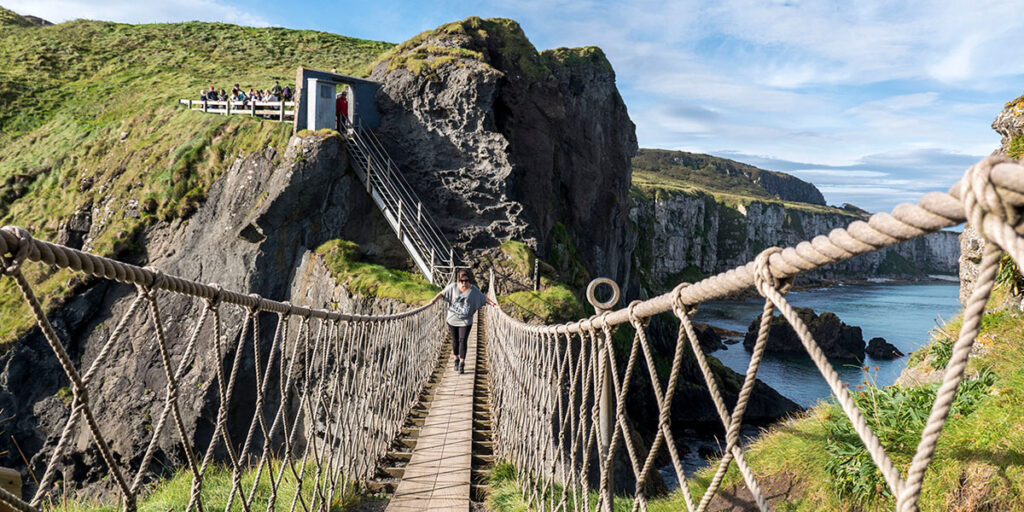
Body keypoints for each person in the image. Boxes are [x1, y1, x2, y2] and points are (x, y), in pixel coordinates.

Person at [432, 270, 496, 374]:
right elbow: (442, 294)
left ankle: (462, 363)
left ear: (469, 280)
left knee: (463, 340)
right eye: (461, 281)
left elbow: (483, 297)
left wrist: (493, 304)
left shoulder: (473, 289)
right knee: (455, 340)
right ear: (458, 280)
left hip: (466, 321)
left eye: (466, 281)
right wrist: (433, 301)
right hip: (452, 319)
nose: (464, 283)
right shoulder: (452, 287)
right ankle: (456, 359)